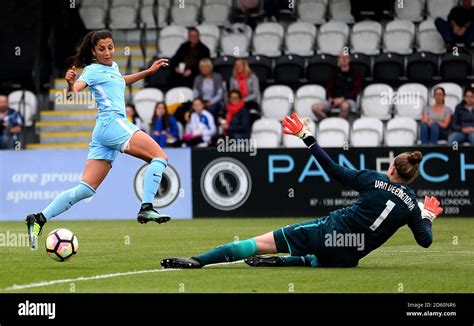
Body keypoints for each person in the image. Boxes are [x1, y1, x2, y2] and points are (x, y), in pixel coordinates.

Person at [161, 113, 443, 269]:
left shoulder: (373, 180)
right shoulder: (412, 206)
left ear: (392, 167)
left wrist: (306, 138)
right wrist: (428, 215)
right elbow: (425, 242)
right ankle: (284, 263)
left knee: (259, 242)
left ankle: (198, 261)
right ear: (412, 176)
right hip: (349, 258)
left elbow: (332, 169)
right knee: (317, 258)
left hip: (329, 232)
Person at [25, 30, 171, 249]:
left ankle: (38, 218)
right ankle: (146, 207)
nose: (107, 52)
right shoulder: (92, 71)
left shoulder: (113, 68)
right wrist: (69, 84)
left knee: (86, 189)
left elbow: (120, 81)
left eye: (110, 47)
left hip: (103, 132)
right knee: (159, 157)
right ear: (93, 51)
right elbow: (73, 91)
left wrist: (148, 71)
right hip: (113, 124)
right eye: (102, 49)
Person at [311, 52, 361, 121]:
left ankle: (338, 124)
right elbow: (329, 88)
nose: (343, 59)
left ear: (349, 59)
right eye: (341, 58)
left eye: (346, 57)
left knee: (345, 106)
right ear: (338, 59)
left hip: (349, 99)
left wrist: (343, 99)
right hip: (334, 100)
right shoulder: (334, 72)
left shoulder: (355, 73)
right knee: (315, 107)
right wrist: (330, 98)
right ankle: (327, 123)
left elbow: (356, 90)